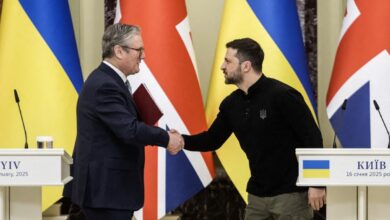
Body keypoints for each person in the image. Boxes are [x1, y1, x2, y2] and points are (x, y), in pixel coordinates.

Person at [179, 38, 326, 220]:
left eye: (228, 61)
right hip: (257, 196)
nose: (222, 66)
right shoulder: (231, 104)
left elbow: (313, 139)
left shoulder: (283, 95)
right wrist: (181, 141)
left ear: (246, 66)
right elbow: (212, 139)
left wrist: (318, 183)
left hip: (292, 195)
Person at [69, 23, 183, 220]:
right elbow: (129, 130)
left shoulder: (110, 81)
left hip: (110, 192)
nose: (144, 55)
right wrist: (166, 138)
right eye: (139, 50)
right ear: (119, 51)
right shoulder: (105, 85)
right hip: (105, 193)